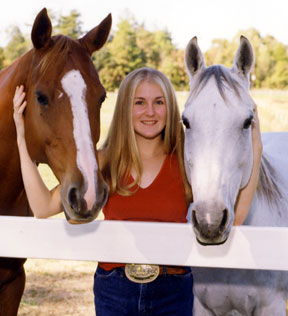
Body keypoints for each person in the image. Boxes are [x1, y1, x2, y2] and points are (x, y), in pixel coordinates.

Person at [13, 67, 262, 316]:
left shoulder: (184, 163)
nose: (150, 112)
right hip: (115, 291)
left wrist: (256, 144)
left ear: (170, 108)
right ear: (125, 108)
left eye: (159, 102)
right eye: (139, 102)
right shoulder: (105, 162)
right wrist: (21, 138)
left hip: (173, 291)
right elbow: (43, 206)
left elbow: (236, 218)